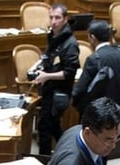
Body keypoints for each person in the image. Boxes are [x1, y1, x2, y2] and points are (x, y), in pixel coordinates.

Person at [30, 3, 79, 155]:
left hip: (59, 92)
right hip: (49, 88)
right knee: (53, 126)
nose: (53, 21)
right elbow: (51, 60)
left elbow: (69, 72)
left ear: (65, 19)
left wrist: (47, 76)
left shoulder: (70, 43)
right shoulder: (53, 36)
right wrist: (40, 66)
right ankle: (72, 151)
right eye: (51, 17)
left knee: (45, 128)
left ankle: (43, 159)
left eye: (57, 18)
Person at [72, 20, 120, 116]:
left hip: (96, 112)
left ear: (92, 37)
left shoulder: (94, 58)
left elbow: (81, 89)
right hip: (116, 110)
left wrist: (74, 101)